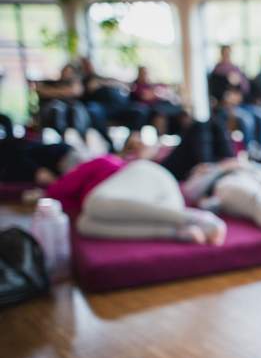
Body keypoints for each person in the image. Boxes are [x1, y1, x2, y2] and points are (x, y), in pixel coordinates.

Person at [45, 155, 226, 245]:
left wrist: (47, 183)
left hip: (155, 181)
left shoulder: (103, 162)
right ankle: (175, 231)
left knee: (92, 203)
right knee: (84, 224)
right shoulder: (98, 201)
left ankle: (197, 218)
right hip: (157, 208)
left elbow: (55, 191)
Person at [209, 45, 261, 154]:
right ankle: (249, 151)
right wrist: (228, 94)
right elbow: (217, 95)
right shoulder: (216, 74)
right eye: (225, 53)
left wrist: (237, 88)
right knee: (247, 119)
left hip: (243, 104)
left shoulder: (237, 71)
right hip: (227, 107)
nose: (227, 56)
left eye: (229, 53)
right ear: (221, 54)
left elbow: (246, 92)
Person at [79, 57, 149, 151]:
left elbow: (127, 87)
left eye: (90, 64)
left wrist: (105, 83)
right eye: (86, 65)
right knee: (93, 110)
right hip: (103, 108)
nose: (89, 67)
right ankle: (109, 144)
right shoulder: (84, 80)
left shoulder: (105, 77)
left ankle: (129, 144)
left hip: (122, 107)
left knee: (140, 110)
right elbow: (87, 91)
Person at [35, 64, 91, 142]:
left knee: (77, 109)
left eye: (69, 72)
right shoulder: (51, 82)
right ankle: (61, 139)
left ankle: (81, 139)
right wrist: (65, 92)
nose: (67, 74)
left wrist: (55, 92)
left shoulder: (74, 82)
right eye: (65, 71)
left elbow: (76, 91)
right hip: (53, 111)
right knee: (58, 108)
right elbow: (41, 91)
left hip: (72, 111)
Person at [130, 66, 184, 136]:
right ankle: (161, 136)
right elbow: (146, 96)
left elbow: (166, 92)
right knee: (160, 113)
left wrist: (161, 93)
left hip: (163, 104)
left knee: (181, 110)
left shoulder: (152, 85)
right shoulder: (136, 86)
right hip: (151, 108)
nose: (146, 75)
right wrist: (158, 93)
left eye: (147, 73)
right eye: (144, 73)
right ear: (139, 74)